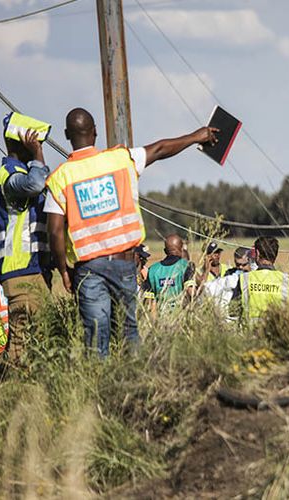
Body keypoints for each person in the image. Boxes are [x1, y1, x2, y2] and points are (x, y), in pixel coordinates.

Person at [45, 107, 218, 357]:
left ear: (66, 135)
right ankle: (133, 385)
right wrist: (196, 136)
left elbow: (55, 231)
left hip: (88, 269)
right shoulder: (120, 159)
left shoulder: (60, 178)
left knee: (96, 338)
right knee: (128, 333)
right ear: (95, 132)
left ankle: (98, 390)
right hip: (125, 264)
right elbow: (159, 149)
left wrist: (63, 270)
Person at [0, 113, 53, 361]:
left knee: (29, 340)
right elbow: (36, 184)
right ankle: (13, 392)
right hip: (21, 269)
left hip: (30, 269)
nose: (39, 148)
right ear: (22, 143)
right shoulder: (10, 175)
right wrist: (37, 153)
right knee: (24, 345)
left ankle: (17, 390)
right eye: (36, 142)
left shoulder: (19, 173)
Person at [232, 236, 289, 323]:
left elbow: (233, 310)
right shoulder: (286, 280)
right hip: (278, 333)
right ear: (275, 255)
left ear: (257, 253)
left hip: (250, 333)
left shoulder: (245, 279)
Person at [142, 234, 195, 312]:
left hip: (161, 318)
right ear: (182, 249)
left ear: (165, 251)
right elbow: (191, 293)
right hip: (180, 316)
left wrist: (154, 323)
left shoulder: (152, 270)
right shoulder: (186, 266)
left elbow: (149, 302)